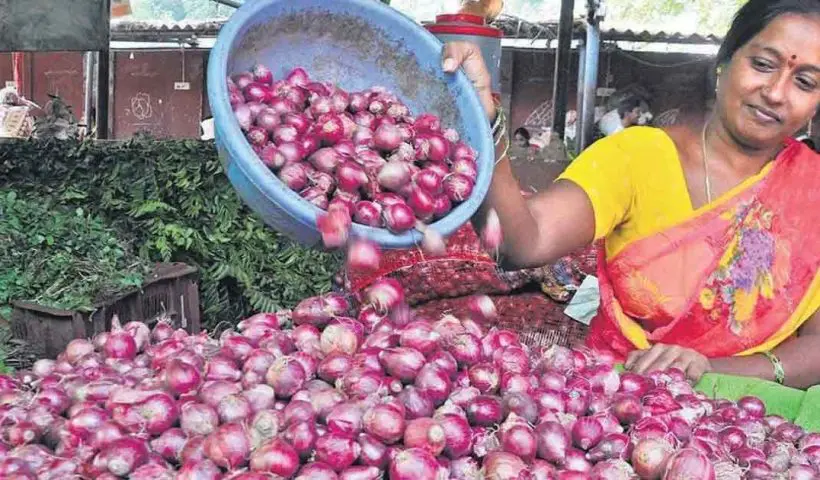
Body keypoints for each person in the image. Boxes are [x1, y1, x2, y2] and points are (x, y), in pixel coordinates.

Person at [441, 0, 820, 388]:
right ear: (723, 65)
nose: (775, 92)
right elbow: (522, 242)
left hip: (753, 415)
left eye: (805, 82)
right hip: (616, 400)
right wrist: (484, 122)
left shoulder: (813, 190)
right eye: (761, 64)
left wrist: (710, 369)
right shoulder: (638, 156)